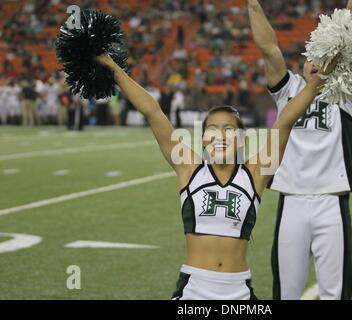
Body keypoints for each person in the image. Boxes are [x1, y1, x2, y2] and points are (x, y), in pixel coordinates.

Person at [95, 53, 336, 300]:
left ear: (241, 139)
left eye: (228, 128)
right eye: (212, 128)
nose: (220, 135)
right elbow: (153, 112)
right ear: (202, 139)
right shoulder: (188, 168)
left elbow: (285, 121)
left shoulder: (256, 173)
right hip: (193, 291)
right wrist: (114, 69)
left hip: (239, 291)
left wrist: (314, 85)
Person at [248, 0, 352, 300]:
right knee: (286, 292)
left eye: (323, 56)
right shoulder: (289, 90)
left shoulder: (346, 93)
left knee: (334, 292)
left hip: (331, 202)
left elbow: (351, 43)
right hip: (292, 201)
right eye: (311, 56)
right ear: (302, 62)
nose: (316, 62)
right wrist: (252, 3)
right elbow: (268, 48)